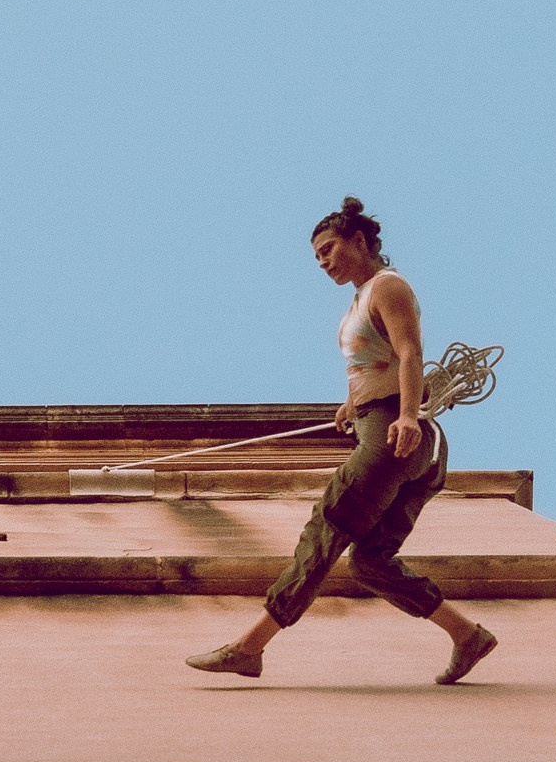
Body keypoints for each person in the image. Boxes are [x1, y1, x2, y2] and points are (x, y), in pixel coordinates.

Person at [187, 196, 498, 685]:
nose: (323, 262)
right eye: (317, 256)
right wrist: (352, 402)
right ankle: (467, 636)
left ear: (359, 240)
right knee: (369, 564)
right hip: (403, 439)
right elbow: (374, 362)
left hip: (396, 430)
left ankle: (249, 648)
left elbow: (410, 352)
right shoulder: (360, 300)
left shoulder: (387, 286)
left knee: (328, 525)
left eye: (329, 249)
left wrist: (407, 416)